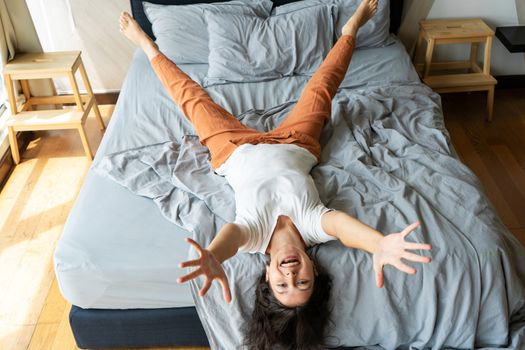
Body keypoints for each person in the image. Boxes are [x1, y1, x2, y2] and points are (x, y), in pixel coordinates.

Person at [119, 0, 432, 347]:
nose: (291, 274)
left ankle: (147, 44)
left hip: (232, 148)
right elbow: (344, 229)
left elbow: (231, 238)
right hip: (296, 142)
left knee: (191, 98)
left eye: (282, 284)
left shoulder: (254, 235)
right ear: (315, 272)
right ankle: (351, 28)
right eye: (303, 282)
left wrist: (212, 257)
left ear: (267, 275)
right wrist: (379, 244)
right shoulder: (313, 225)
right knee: (323, 85)